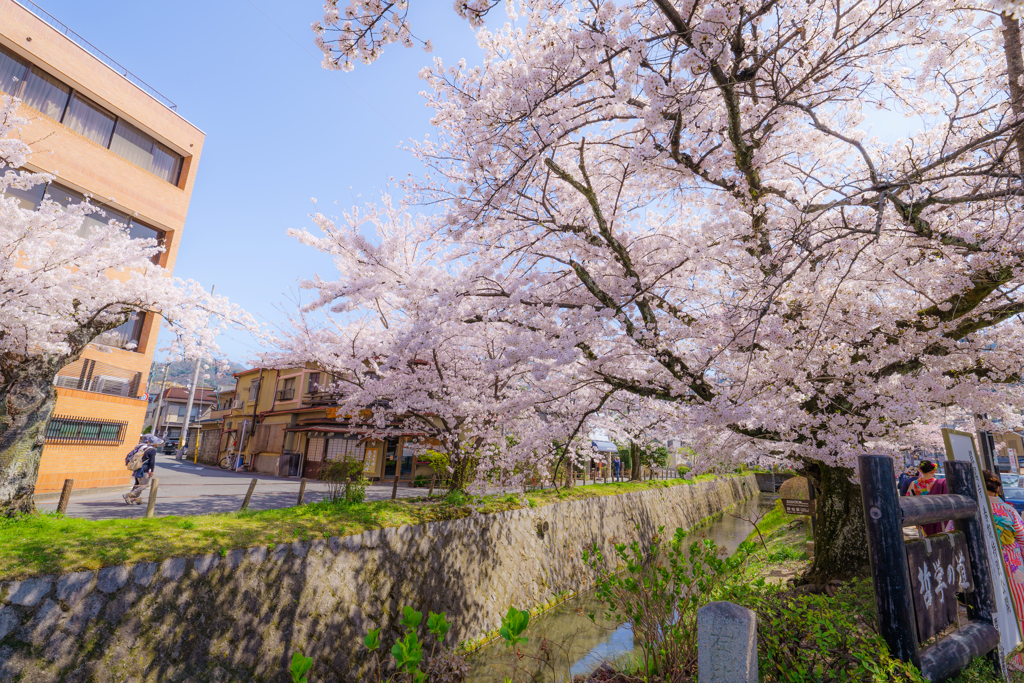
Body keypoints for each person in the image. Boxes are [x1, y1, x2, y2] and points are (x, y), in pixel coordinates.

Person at [982, 469, 1024, 670]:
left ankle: (995, 653)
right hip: (1013, 562)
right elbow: (1022, 538)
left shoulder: (972, 509)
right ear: (997, 488)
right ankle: (1018, 656)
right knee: (1017, 606)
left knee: (992, 606)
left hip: (985, 561)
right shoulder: (1009, 510)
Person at [907, 461, 950, 536]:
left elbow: (909, 499)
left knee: (926, 538)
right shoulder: (939, 483)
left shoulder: (914, 484)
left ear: (920, 470)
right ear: (933, 470)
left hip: (922, 514)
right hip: (937, 513)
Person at [124, 435, 160, 505]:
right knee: (145, 484)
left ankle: (136, 498)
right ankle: (130, 494)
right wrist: (152, 470)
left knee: (138, 484)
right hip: (144, 469)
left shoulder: (142, 447)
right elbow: (152, 461)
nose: (157, 444)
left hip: (137, 467)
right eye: (157, 443)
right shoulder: (152, 450)